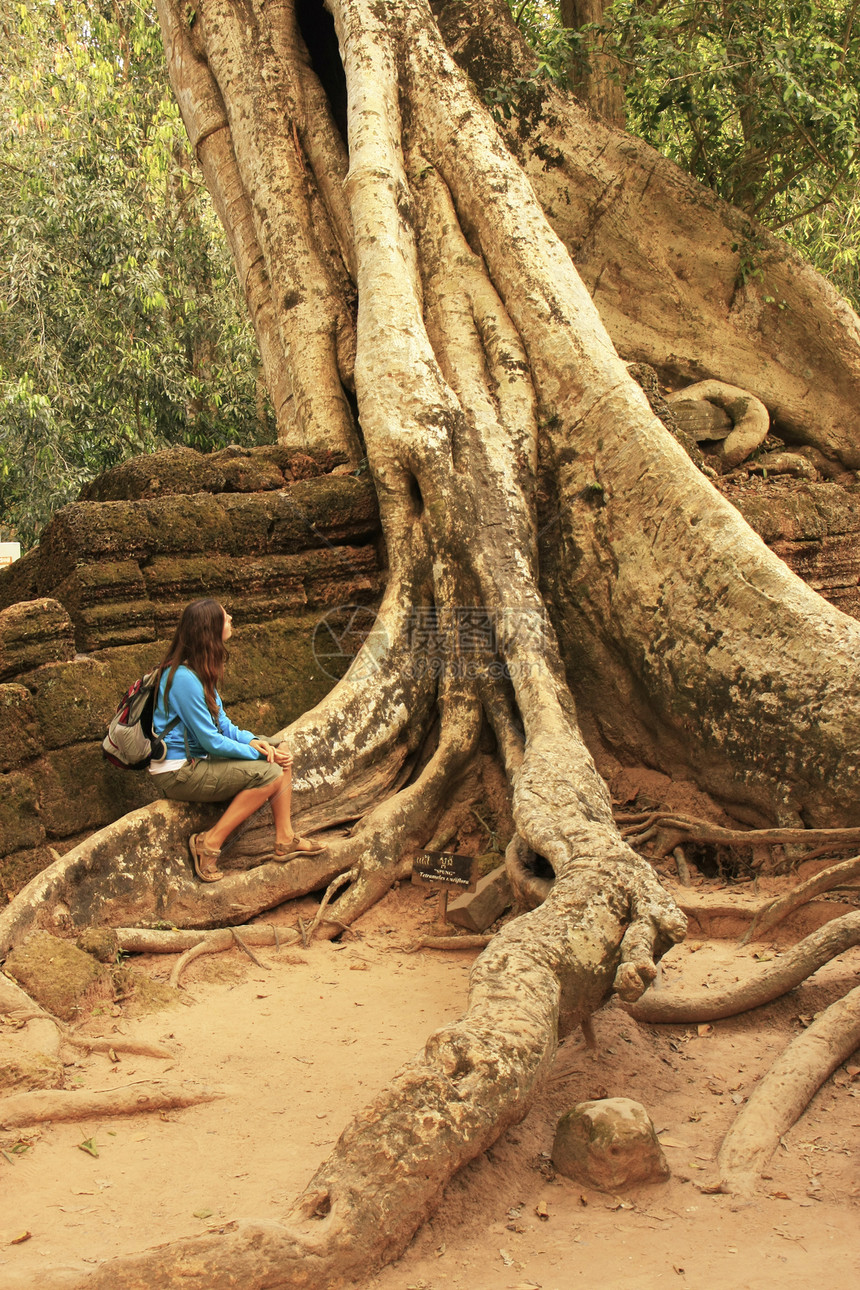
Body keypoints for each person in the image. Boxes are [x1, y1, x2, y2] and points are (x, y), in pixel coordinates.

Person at [149, 598, 324, 882]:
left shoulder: (199, 668)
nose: (230, 618)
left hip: (200, 760)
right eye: (224, 616)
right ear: (210, 629)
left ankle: (285, 838)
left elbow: (224, 725)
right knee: (270, 772)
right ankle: (208, 844)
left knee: (280, 746)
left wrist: (254, 741)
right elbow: (210, 742)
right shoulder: (182, 678)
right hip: (178, 772)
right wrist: (259, 755)